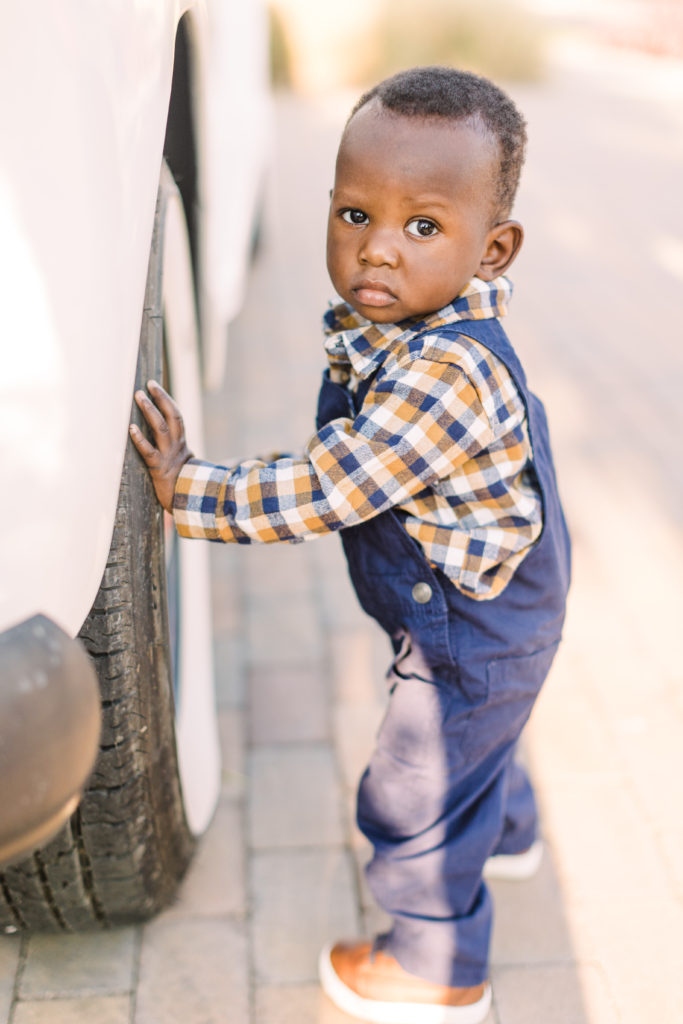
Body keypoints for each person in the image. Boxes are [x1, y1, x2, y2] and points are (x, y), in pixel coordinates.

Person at [130, 66, 571, 1024]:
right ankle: (505, 830)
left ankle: (433, 966)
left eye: (422, 227)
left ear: (492, 249)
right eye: (352, 214)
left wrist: (188, 486)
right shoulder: (408, 320)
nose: (376, 252)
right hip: (474, 605)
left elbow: (328, 486)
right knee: (475, 741)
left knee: (416, 786)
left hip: (474, 625)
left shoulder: (445, 373)